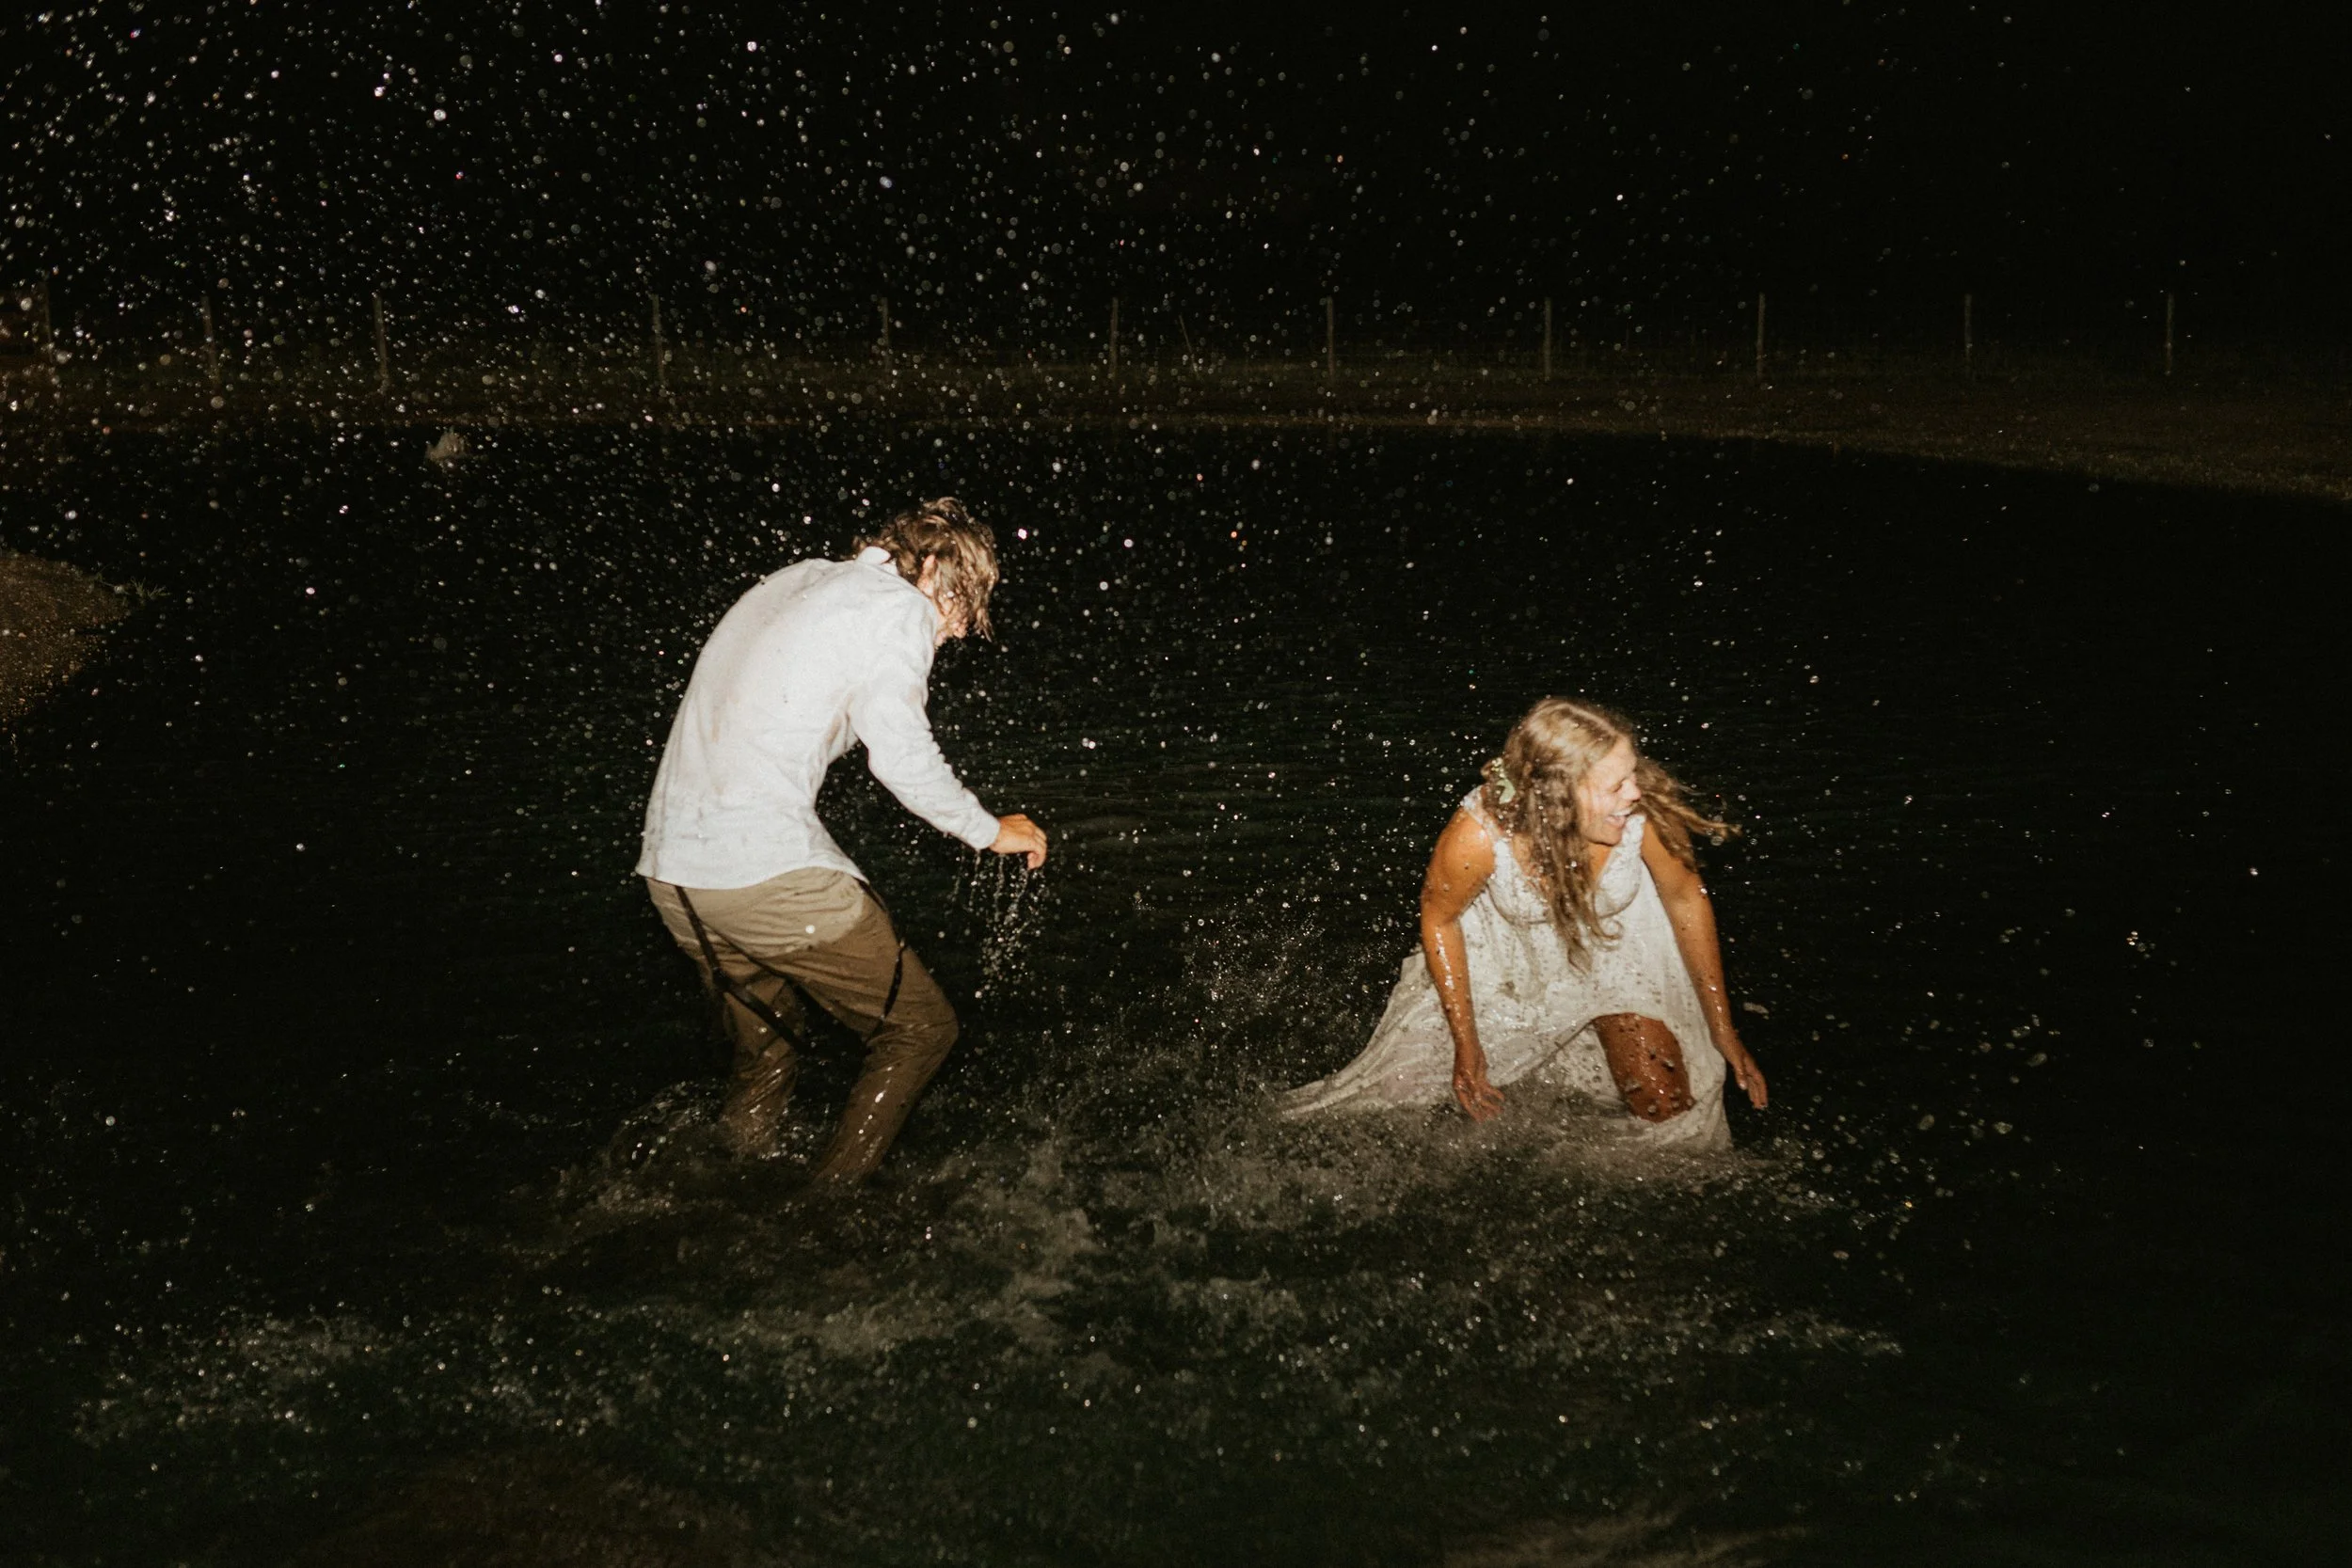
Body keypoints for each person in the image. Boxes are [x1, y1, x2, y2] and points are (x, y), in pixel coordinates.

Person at [636, 498, 1048, 1183]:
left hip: (674, 878)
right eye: (960, 607)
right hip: (761, 873)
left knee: (768, 1053)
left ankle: (727, 1181)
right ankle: (822, 1214)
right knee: (922, 1030)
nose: (955, 631)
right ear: (935, 568)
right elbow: (901, 755)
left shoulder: (801, 579)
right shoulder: (896, 611)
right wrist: (988, 829)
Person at [1281, 697, 1766, 1147]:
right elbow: (1440, 917)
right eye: (1615, 785)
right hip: (1509, 962)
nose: (1634, 793)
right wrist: (1466, 1044)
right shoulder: (1478, 836)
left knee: (1665, 1104)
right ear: (1556, 796)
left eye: (1632, 774)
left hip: (1620, 955)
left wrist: (1721, 1027)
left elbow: (1686, 899)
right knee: (1392, 1098)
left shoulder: (1645, 817)